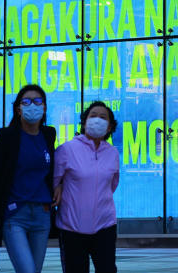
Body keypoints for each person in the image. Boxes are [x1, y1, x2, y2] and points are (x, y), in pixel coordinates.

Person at [0, 84, 57, 273]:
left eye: (37, 101)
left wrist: (61, 185)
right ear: (18, 108)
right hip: (15, 215)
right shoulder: (6, 136)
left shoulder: (48, 134)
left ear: (44, 107)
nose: (33, 105)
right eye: (26, 101)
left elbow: (54, 168)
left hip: (42, 214)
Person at [53, 101, 120, 273]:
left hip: (105, 226)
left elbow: (112, 185)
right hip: (72, 228)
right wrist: (60, 185)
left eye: (103, 117)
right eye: (93, 116)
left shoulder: (113, 153)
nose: (97, 120)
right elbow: (53, 180)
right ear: (84, 122)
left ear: (110, 126)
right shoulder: (67, 149)